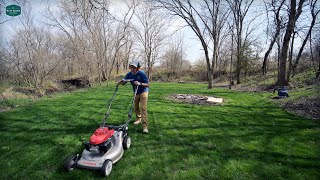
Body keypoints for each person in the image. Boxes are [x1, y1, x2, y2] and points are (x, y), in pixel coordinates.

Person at [118, 61, 150, 134]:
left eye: (134, 67)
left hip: (143, 91)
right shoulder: (129, 74)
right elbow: (125, 81)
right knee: (135, 107)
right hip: (136, 92)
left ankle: (145, 127)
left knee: (143, 108)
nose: (132, 69)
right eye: (131, 67)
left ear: (137, 68)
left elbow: (148, 84)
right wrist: (121, 82)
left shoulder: (142, 74)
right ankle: (138, 119)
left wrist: (140, 83)